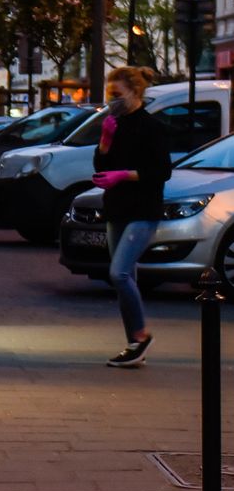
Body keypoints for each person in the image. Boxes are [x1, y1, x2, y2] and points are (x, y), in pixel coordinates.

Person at [91, 66, 170, 368]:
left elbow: (162, 171)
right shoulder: (115, 123)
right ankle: (134, 343)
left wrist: (123, 175)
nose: (112, 100)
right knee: (126, 277)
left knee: (119, 273)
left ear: (134, 92)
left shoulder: (152, 127)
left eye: (116, 94)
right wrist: (105, 141)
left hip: (143, 210)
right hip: (117, 208)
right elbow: (100, 162)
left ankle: (141, 336)